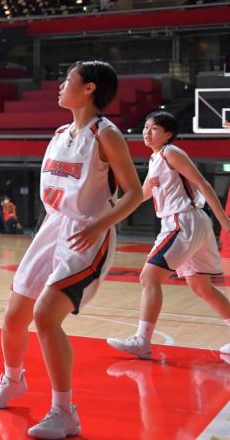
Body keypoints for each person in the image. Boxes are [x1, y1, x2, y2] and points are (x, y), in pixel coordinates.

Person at [0, 60, 143, 439]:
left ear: (89, 89)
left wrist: (99, 225)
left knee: (46, 316)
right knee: (13, 316)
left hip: (88, 231)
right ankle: (13, 380)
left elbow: (135, 192)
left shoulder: (106, 134)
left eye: (68, 79)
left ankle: (64, 411)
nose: (59, 84)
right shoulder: (60, 132)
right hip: (54, 227)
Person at [106, 111, 230, 359]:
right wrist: (110, 208)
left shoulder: (171, 153)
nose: (146, 132)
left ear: (168, 134)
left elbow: (203, 184)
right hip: (188, 223)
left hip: (183, 221)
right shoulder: (155, 160)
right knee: (201, 286)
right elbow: (141, 195)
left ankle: (142, 340)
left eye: (153, 128)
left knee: (149, 276)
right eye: (145, 127)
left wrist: (224, 220)